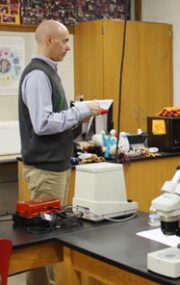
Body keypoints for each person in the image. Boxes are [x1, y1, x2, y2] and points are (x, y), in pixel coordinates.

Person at [18, 20, 102, 285]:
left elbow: (59, 123)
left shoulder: (51, 73)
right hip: (46, 169)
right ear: (48, 41)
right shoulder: (38, 75)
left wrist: (84, 117)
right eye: (64, 41)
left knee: (47, 238)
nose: (68, 47)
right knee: (45, 240)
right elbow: (43, 124)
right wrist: (79, 110)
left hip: (57, 166)